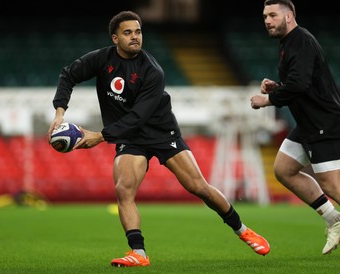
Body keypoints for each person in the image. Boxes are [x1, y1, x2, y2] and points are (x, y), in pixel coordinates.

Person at [48, 11, 270, 267]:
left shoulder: (152, 71)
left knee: (198, 187)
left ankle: (242, 229)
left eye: (138, 32)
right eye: (128, 32)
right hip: (130, 138)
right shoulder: (102, 59)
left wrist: (99, 136)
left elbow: (139, 116)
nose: (135, 37)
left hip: (161, 132)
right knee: (123, 190)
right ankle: (138, 253)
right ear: (115, 38)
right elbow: (68, 74)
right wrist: (60, 112)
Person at [250, 0, 340, 255]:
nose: (267, 20)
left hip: (324, 123)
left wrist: (267, 100)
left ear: (289, 16)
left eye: (272, 15)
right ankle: (334, 219)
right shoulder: (289, 42)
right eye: (265, 16)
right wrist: (277, 87)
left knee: (333, 186)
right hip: (307, 123)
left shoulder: (300, 40)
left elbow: (299, 85)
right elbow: (301, 83)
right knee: (283, 169)